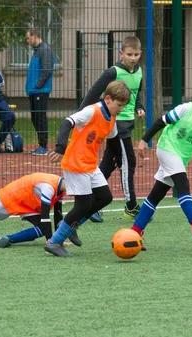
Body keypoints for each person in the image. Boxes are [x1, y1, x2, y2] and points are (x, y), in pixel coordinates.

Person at [129, 88, 192, 248]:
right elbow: (160, 122)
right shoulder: (187, 108)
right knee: (183, 184)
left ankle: (134, 232)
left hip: (181, 158)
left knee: (156, 194)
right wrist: (143, 141)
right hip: (166, 147)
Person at [44, 81, 131, 257]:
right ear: (108, 99)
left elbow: (114, 142)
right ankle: (54, 242)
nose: (121, 109)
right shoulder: (92, 111)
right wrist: (60, 147)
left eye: (124, 106)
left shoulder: (111, 118)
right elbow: (66, 122)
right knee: (83, 205)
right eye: (119, 105)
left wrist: (121, 161)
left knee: (105, 197)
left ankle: (70, 224)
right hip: (76, 163)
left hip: (90, 164)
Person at [79, 36, 146, 222]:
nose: (133, 58)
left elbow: (135, 94)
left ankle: (92, 202)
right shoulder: (113, 72)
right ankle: (131, 205)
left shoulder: (139, 71)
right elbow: (93, 93)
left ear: (140, 54)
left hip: (128, 124)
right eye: (129, 54)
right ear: (121, 54)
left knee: (110, 163)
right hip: (115, 124)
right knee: (128, 162)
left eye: (136, 55)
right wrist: (80, 117)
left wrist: (140, 107)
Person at [25, 29, 54, 155]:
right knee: (35, 117)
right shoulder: (37, 51)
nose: (27, 41)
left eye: (28, 38)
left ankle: (43, 146)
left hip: (40, 91)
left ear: (35, 36)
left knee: (40, 117)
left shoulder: (45, 50)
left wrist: (37, 86)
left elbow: (47, 71)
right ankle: (41, 144)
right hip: (34, 91)